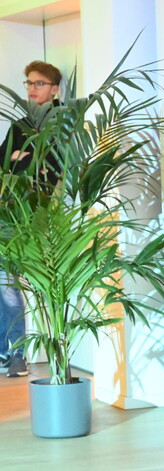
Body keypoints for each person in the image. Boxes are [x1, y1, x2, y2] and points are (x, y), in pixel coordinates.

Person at [0, 61, 61, 378]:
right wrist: (21, 160)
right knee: (2, 283)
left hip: (33, 215)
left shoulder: (63, 124)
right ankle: (5, 350)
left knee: (8, 284)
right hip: (7, 210)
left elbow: (49, 171)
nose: (32, 89)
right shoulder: (20, 124)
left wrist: (21, 159)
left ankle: (17, 353)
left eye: (39, 83)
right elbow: (3, 162)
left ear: (55, 89)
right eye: (29, 83)